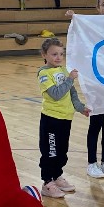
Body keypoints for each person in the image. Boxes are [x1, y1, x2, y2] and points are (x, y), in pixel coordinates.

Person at [66, 0, 104, 179]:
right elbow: (81, 40)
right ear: (98, 7)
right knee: (96, 122)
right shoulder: (90, 26)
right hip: (95, 81)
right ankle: (92, 163)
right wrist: (75, 19)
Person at [37, 37, 91, 198]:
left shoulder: (63, 70)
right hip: (51, 119)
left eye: (61, 54)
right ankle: (47, 182)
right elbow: (56, 94)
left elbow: (71, 92)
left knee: (62, 151)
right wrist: (69, 79)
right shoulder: (44, 74)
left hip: (66, 118)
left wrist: (80, 107)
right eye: (54, 54)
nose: (59, 57)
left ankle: (57, 176)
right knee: (50, 151)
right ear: (44, 55)